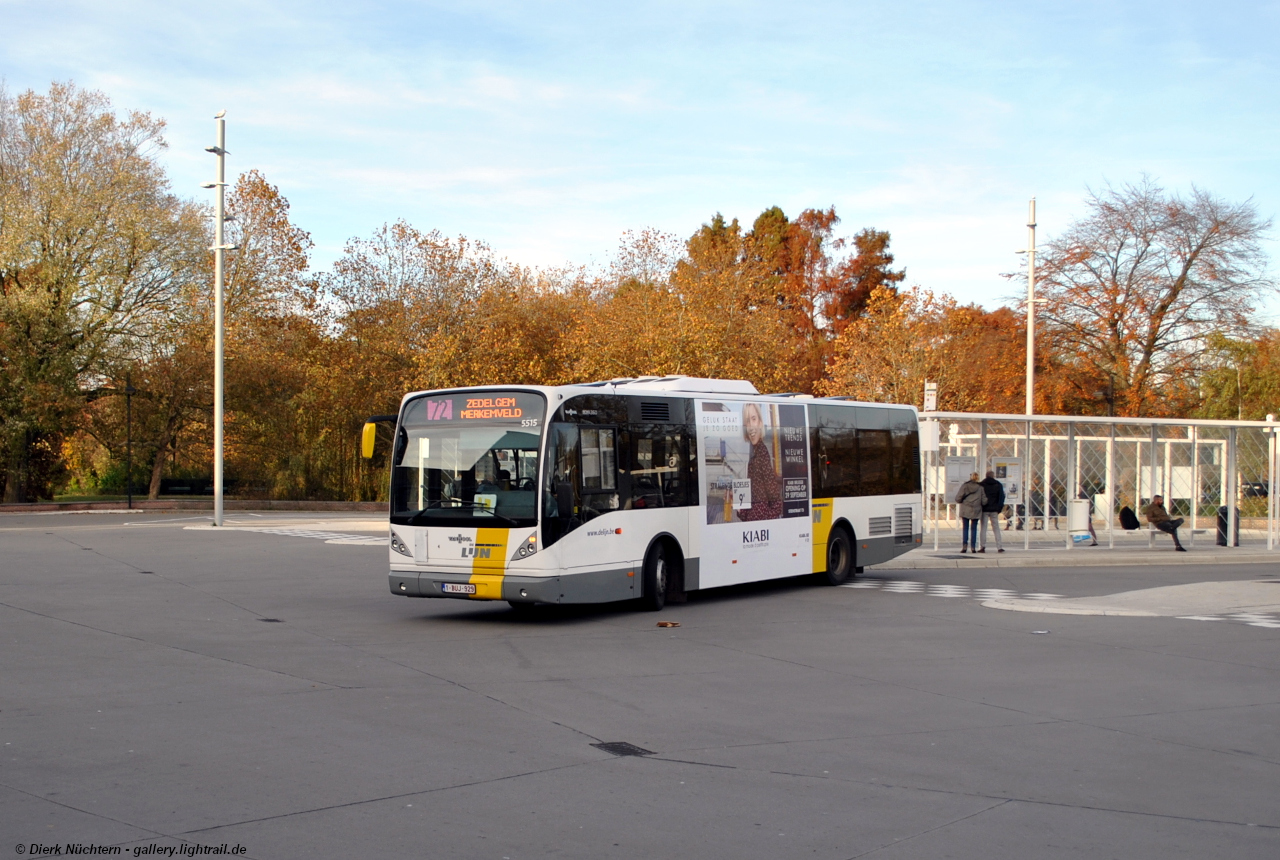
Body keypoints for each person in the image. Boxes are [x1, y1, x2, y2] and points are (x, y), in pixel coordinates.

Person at [739, 402, 782, 521]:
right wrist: (740, 509)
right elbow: (754, 497)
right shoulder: (755, 452)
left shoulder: (762, 453)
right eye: (747, 421)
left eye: (754, 419)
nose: (751, 426)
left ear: (760, 423)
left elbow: (776, 503)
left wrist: (762, 520)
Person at [955, 471, 986, 553]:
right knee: (974, 528)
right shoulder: (980, 488)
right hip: (976, 510)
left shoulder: (965, 486)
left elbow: (958, 498)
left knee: (965, 528)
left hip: (965, 509)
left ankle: (964, 546)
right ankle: (973, 547)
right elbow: (984, 501)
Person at [977, 471, 1005, 553]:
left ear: (986, 476)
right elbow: (1001, 497)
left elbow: (979, 497)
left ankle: (982, 547)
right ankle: (999, 547)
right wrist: (999, 508)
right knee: (996, 528)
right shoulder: (998, 484)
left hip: (984, 509)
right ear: (993, 476)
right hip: (994, 509)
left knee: (983, 528)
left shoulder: (981, 484)